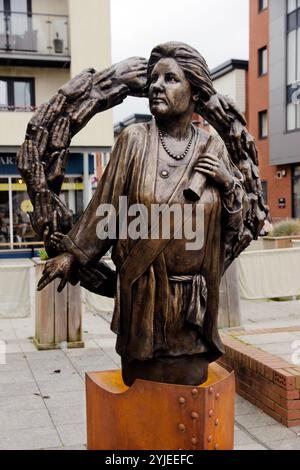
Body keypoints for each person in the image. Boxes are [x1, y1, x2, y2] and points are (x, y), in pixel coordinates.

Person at [37, 42, 259, 386]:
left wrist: (229, 184)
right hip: (143, 295)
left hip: (193, 305)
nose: (157, 85)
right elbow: (106, 208)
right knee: (142, 384)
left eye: (170, 78)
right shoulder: (133, 140)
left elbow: (235, 228)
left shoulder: (212, 146)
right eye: (154, 78)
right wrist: (73, 255)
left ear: (195, 92)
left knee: (191, 382)